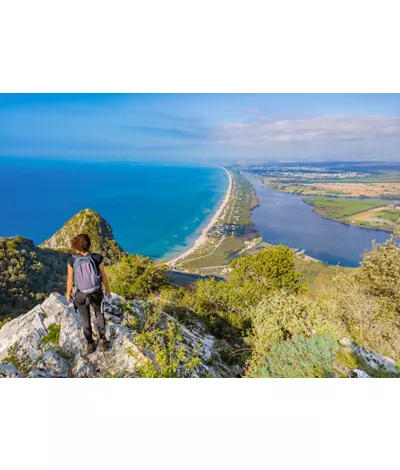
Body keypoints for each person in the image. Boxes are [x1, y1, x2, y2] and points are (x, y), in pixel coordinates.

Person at [66, 233, 111, 354]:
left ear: (75, 246)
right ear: (89, 244)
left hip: (80, 295)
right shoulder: (97, 257)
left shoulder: (71, 260)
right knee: (99, 315)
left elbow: (70, 280)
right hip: (96, 292)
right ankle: (102, 341)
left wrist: (68, 293)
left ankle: (90, 344)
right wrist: (107, 290)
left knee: (85, 319)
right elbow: (103, 276)